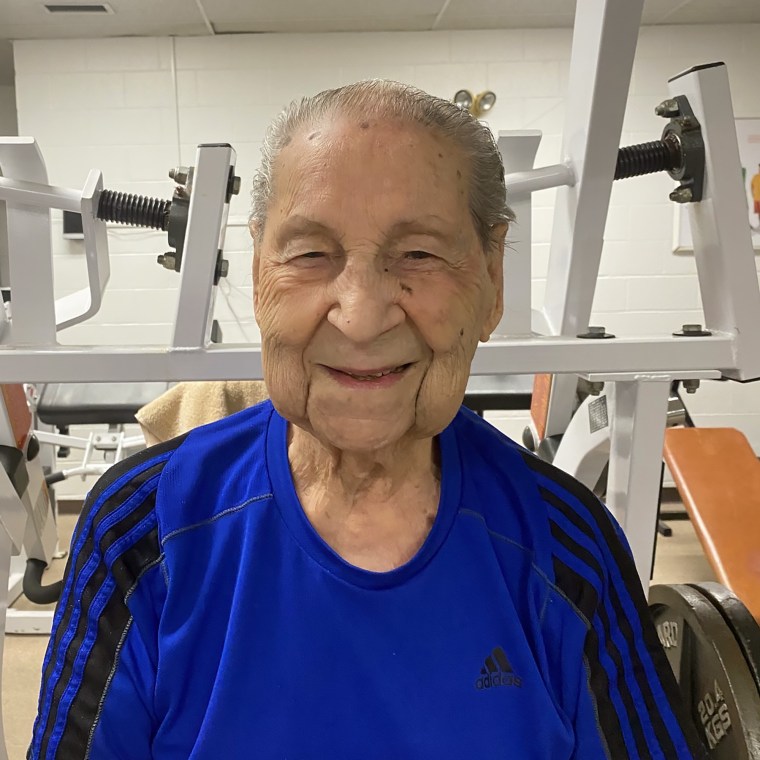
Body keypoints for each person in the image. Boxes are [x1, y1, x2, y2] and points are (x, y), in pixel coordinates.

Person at [28, 80, 706, 759]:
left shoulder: (568, 549)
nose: (359, 315)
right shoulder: (143, 532)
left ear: (493, 278)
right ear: (262, 266)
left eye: (419, 254)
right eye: (311, 254)